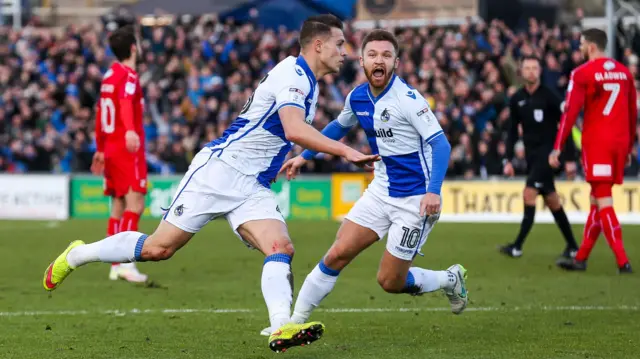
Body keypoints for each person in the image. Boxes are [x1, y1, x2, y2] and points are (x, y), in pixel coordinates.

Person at [42, 14, 380, 353]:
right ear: (318, 45)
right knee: (158, 249)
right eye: (339, 44)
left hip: (253, 185)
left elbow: (283, 134)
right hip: (220, 171)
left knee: (281, 247)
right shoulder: (293, 76)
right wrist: (346, 152)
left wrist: (293, 158)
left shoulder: (309, 81)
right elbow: (293, 129)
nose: (345, 51)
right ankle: (79, 254)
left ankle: (281, 327)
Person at [270, 29, 466, 331]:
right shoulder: (357, 96)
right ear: (361, 61)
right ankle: (293, 324)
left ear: (396, 62)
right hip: (381, 191)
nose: (379, 60)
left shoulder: (409, 99)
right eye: (372, 54)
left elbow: (441, 144)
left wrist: (433, 192)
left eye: (386, 55)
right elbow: (338, 127)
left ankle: (449, 278)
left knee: (390, 281)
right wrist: (303, 156)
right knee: (337, 253)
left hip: (415, 200)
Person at [550, 28, 635, 273]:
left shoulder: (583, 73)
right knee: (597, 201)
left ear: (591, 46)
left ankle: (622, 260)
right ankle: (581, 257)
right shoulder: (624, 72)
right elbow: (632, 113)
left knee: (604, 200)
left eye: (581, 44)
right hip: (619, 142)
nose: (579, 49)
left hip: (598, 142)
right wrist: (628, 146)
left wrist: (558, 147)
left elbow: (570, 113)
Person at [500, 56, 579, 260]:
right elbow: (511, 131)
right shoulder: (517, 98)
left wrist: (569, 157)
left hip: (549, 155)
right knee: (552, 201)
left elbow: (566, 124)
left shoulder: (550, 95)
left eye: (535, 68)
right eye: (527, 68)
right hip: (532, 156)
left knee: (529, 194)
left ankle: (517, 247)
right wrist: (508, 159)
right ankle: (572, 246)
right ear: (522, 72)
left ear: (540, 70)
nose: (531, 71)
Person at [90, 25, 148, 283]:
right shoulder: (129, 75)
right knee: (135, 203)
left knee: (118, 205)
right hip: (127, 148)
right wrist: (130, 132)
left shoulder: (108, 75)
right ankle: (123, 262)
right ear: (133, 48)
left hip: (110, 148)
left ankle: (115, 264)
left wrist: (100, 148)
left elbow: (101, 114)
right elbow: (125, 104)